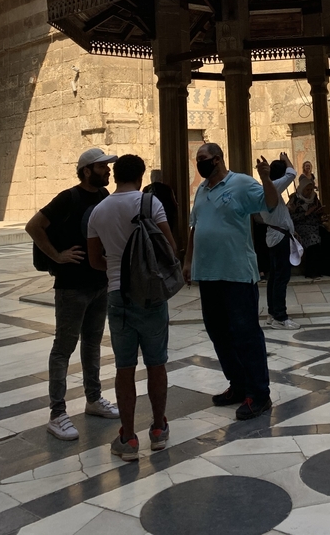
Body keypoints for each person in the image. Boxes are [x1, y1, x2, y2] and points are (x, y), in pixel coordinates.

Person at [25, 147, 120, 441]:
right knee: (63, 348)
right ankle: (57, 413)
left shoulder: (104, 197)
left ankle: (93, 399)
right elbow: (34, 226)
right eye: (103, 166)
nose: (108, 170)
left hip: (98, 284)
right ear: (87, 170)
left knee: (92, 344)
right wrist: (56, 255)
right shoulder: (68, 197)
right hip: (71, 286)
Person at [87, 154, 177, 460]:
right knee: (156, 363)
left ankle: (127, 437)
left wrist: (119, 268)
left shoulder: (98, 211)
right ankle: (158, 429)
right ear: (140, 176)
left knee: (124, 368)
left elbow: (93, 260)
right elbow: (169, 247)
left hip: (117, 295)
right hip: (151, 295)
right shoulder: (151, 204)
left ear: (114, 176)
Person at [183, 142, 280, 420]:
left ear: (216, 159)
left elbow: (270, 203)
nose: (199, 164)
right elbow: (195, 226)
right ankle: (238, 386)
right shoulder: (202, 190)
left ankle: (259, 394)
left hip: (236, 274)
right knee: (219, 333)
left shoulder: (241, 183)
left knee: (245, 334)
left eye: (202, 159)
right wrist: (188, 261)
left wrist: (266, 179)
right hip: (208, 274)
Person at [263, 153, 300, 330]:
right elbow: (293, 174)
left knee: (274, 277)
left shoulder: (268, 188)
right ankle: (280, 316)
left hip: (274, 236)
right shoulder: (274, 186)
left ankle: (272, 313)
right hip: (279, 238)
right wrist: (286, 159)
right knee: (281, 278)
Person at [289, 175, 330, 279]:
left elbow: (319, 211)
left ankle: (329, 270)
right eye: (307, 189)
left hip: (315, 224)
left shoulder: (314, 198)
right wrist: (306, 213)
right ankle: (312, 272)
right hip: (302, 227)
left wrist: (319, 212)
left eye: (311, 189)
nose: (309, 192)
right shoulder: (294, 199)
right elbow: (291, 217)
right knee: (313, 239)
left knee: (326, 237)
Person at [144, 169, 179, 239]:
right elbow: (175, 204)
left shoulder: (146, 189)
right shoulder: (167, 188)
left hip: (151, 222)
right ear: (161, 177)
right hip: (166, 219)